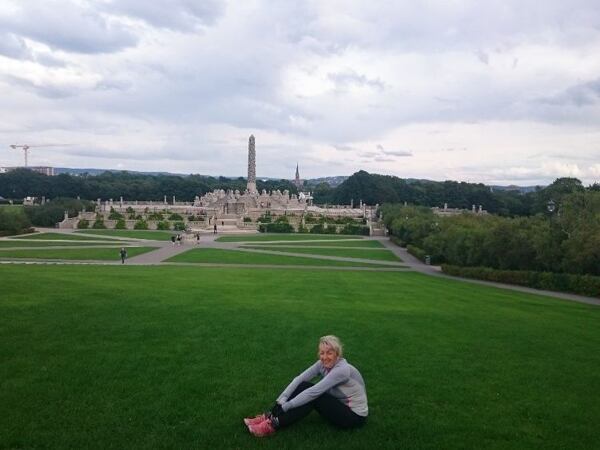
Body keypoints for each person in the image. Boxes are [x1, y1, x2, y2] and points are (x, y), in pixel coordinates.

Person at [244, 335, 368, 437]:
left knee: (314, 396)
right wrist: (282, 399)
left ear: (337, 354)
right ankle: (269, 416)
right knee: (304, 384)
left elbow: (313, 392)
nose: (325, 357)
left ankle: (272, 425)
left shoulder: (342, 370)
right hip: (340, 406)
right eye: (322, 353)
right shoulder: (322, 363)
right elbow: (299, 379)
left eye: (329, 353)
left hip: (354, 417)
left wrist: (286, 406)